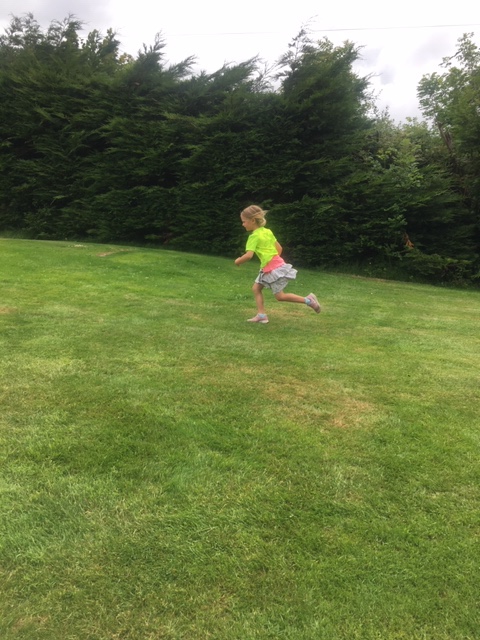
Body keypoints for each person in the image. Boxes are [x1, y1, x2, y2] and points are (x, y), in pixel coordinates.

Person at [234, 205, 321, 323]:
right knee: (256, 288)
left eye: (244, 221)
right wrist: (274, 262)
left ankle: (309, 300)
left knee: (280, 296)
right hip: (272, 266)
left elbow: (248, 255)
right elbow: (279, 249)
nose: (243, 224)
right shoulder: (267, 232)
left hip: (271, 269)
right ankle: (261, 315)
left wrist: (238, 261)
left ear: (253, 220)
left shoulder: (254, 236)